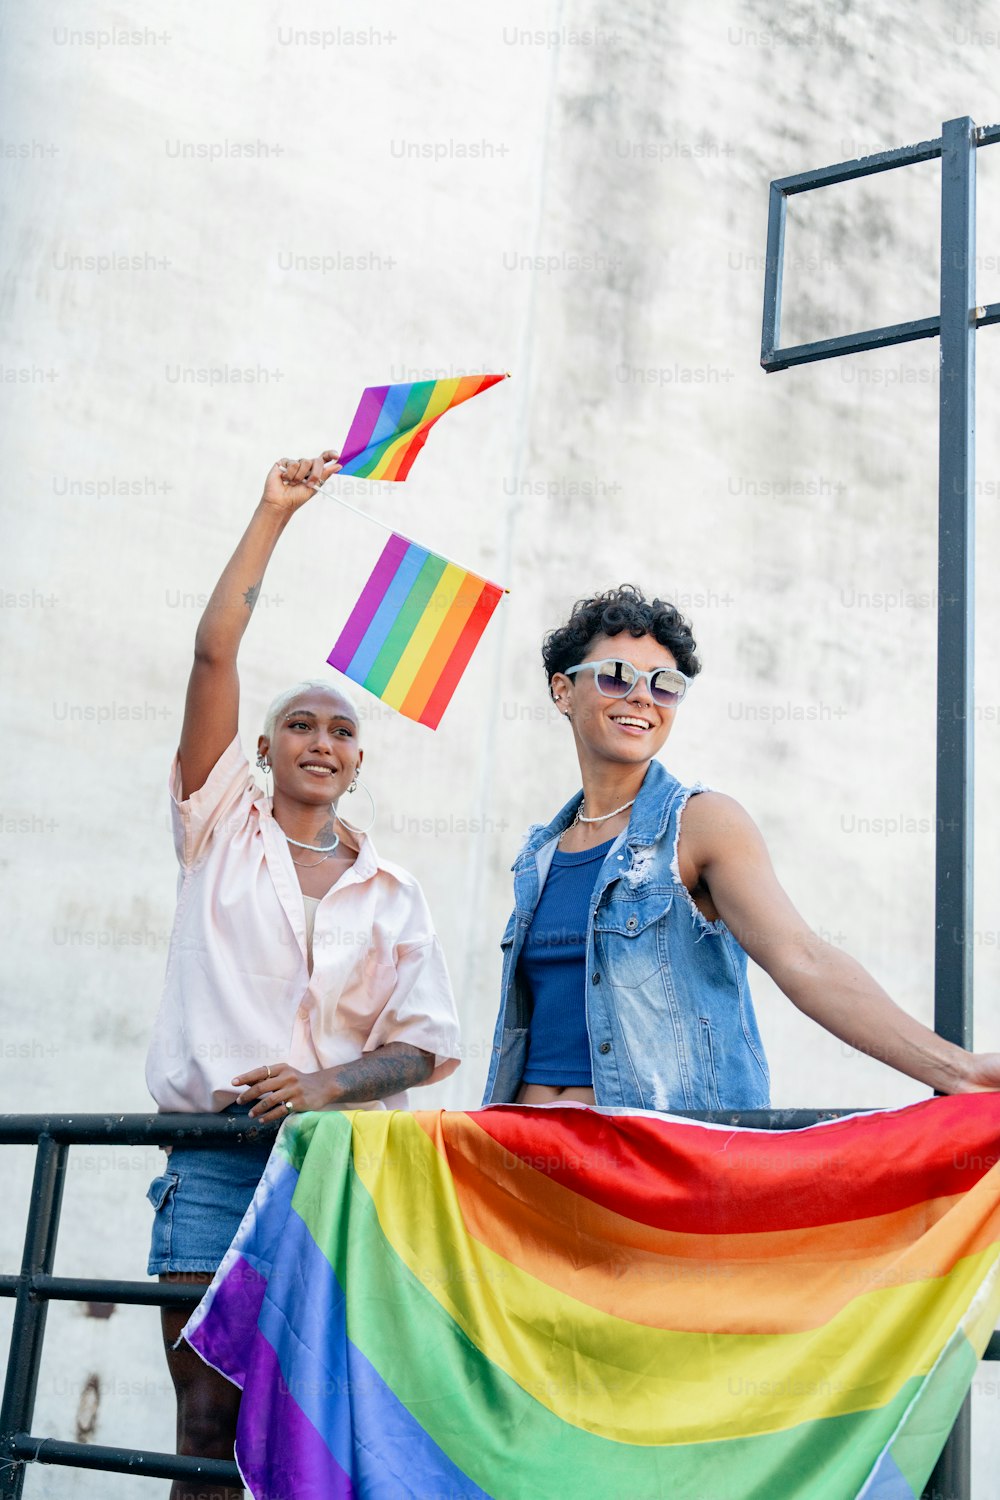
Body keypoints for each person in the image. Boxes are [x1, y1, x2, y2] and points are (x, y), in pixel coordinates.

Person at [145, 451, 461, 1500]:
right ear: (265, 753)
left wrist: (326, 1084)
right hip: (214, 1162)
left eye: (341, 729)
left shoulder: (393, 888)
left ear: (357, 763)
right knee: (203, 1420)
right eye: (298, 724)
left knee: (320, 1421)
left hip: (337, 1172)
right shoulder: (217, 835)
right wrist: (274, 512)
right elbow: (210, 655)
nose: (320, 739)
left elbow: (424, 1041)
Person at [482, 584, 1000, 1110]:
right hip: (525, 1155)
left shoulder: (700, 823)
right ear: (562, 691)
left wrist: (957, 1069)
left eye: (665, 685)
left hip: (648, 1164)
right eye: (617, 676)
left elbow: (804, 958)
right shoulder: (540, 856)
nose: (641, 697)